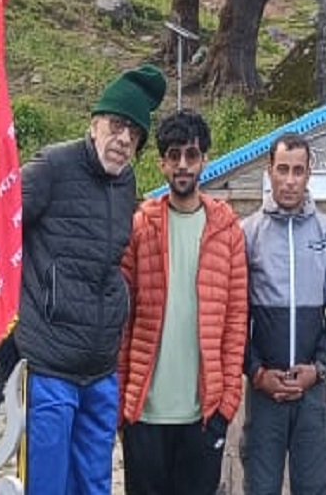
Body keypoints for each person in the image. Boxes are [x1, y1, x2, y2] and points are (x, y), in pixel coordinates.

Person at [17, 64, 164, 495]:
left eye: (134, 135)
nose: (123, 140)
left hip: (100, 368)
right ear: (95, 123)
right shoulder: (51, 167)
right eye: (117, 126)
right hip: (50, 363)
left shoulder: (125, 183)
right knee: (47, 486)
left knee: (95, 485)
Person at [118, 109, 249, 495]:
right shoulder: (140, 226)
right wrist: (121, 403)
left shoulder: (227, 230)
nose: (182, 165)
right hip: (145, 411)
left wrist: (226, 403)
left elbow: (236, 319)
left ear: (204, 159)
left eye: (191, 155)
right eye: (173, 155)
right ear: (161, 163)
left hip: (203, 414)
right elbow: (122, 317)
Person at [241, 135, 326, 495]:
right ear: (269, 172)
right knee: (260, 488)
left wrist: (317, 368)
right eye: (283, 170)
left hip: (311, 394)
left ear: (309, 175)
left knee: (313, 487)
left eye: (298, 171)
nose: (290, 180)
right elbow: (234, 319)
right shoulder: (248, 233)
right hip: (264, 394)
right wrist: (257, 372)